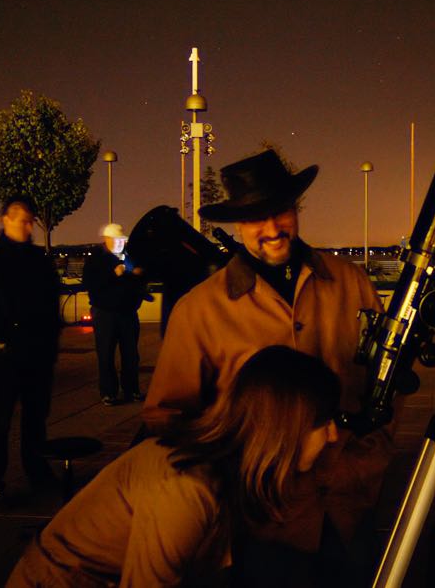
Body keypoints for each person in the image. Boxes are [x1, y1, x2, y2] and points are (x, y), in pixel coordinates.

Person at [143, 149, 390, 587]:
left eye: (281, 212)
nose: (273, 229)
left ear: (296, 209)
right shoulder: (199, 309)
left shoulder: (352, 282)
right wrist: (234, 480)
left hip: (349, 506)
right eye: (257, 218)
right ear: (238, 225)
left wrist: (369, 458)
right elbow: (167, 416)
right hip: (263, 523)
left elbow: (387, 381)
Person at [7, 346, 341, 587]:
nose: (333, 435)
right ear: (284, 427)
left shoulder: (224, 472)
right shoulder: (185, 487)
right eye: (323, 422)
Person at [0, 196, 62, 500]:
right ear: (6, 220)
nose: (28, 227)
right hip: (6, 353)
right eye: (23, 221)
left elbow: (51, 305)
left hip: (37, 351)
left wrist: (50, 342)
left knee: (36, 417)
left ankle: (36, 470)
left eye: (31, 221)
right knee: (0, 417)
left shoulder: (39, 259)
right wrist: (1, 335)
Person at [82, 223, 148, 405]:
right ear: (107, 240)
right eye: (116, 239)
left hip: (128, 313)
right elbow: (89, 282)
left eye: (122, 240)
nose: (120, 243)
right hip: (105, 314)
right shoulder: (97, 259)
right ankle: (108, 392)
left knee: (131, 355)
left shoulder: (129, 257)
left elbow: (138, 281)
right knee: (106, 354)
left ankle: (131, 389)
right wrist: (112, 274)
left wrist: (138, 276)